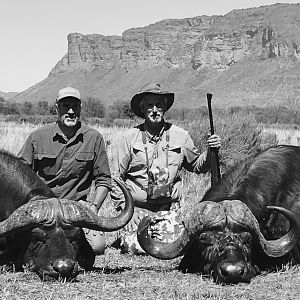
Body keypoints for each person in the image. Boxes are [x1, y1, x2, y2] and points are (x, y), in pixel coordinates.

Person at [111, 83, 221, 254]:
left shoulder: (181, 136)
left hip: (169, 208)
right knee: (134, 247)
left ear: (164, 108)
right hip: (138, 209)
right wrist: (126, 211)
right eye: (149, 105)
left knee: (175, 246)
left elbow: (197, 166)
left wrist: (211, 151)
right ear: (143, 109)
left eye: (159, 105)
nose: (155, 110)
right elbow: (115, 178)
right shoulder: (127, 139)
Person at [18, 86, 111, 255]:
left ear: (81, 108)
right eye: (65, 106)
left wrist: (94, 207)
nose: (70, 111)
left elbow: (104, 179)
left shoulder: (94, 137)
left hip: (75, 210)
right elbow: (19, 174)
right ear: (56, 108)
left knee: (97, 247)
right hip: (41, 209)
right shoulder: (38, 136)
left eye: (75, 106)